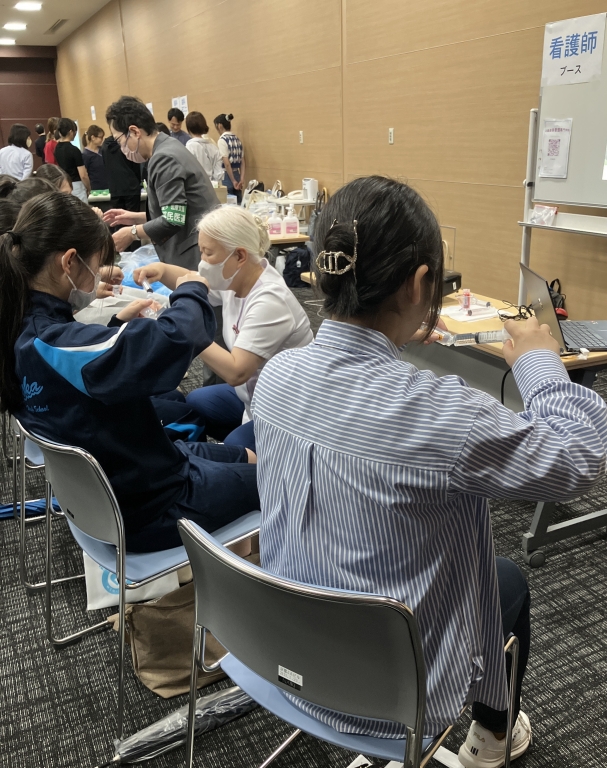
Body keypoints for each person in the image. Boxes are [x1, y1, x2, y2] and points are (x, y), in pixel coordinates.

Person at [252, 176, 607, 767]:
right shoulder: (444, 413)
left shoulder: (277, 377)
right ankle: (493, 738)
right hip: (389, 695)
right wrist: (541, 366)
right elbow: (579, 458)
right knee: (507, 582)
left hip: (284, 654)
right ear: (419, 283)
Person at [0, 191, 259, 553]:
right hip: (152, 506)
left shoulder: (20, 329)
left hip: (128, 479)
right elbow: (176, 338)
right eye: (96, 263)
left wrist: (114, 326)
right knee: (284, 481)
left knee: (247, 456)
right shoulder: (53, 343)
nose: (97, 274)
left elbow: (77, 370)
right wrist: (191, 290)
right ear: (69, 262)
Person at [135, 205, 313, 452]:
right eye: (201, 251)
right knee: (195, 402)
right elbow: (194, 280)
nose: (202, 262)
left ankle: (268, 454)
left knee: (235, 449)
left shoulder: (270, 300)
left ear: (239, 256)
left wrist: (184, 329)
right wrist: (162, 270)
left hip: (287, 409)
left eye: (208, 253)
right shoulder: (238, 278)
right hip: (255, 395)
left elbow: (236, 372)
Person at [103, 96, 219, 269]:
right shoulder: (168, 145)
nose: (122, 149)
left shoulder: (163, 157)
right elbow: (178, 209)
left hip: (195, 250)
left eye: (120, 141)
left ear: (134, 132)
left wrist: (132, 233)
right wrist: (134, 218)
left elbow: (174, 219)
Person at [54, 118, 91, 202]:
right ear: (71, 132)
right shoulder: (74, 150)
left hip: (64, 184)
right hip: (76, 186)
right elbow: (83, 175)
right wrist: (89, 188)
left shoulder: (57, 148)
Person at [185, 111, 223, 183]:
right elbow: (219, 173)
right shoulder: (213, 147)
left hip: (196, 186)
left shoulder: (190, 147)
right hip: (213, 187)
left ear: (188, 128)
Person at [214, 113, 244, 202]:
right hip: (237, 174)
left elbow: (227, 163)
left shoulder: (222, 140)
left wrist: (233, 180)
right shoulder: (237, 139)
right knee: (238, 202)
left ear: (219, 126)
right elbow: (243, 161)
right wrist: (241, 178)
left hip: (227, 176)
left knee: (228, 203)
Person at [82, 125, 109, 191]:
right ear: (93, 137)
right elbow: (84, 174)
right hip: (96, 188)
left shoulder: (102, 150)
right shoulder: (85, 154)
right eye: (100, 137)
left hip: (108, 185)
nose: (102, 140)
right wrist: (89, 188)